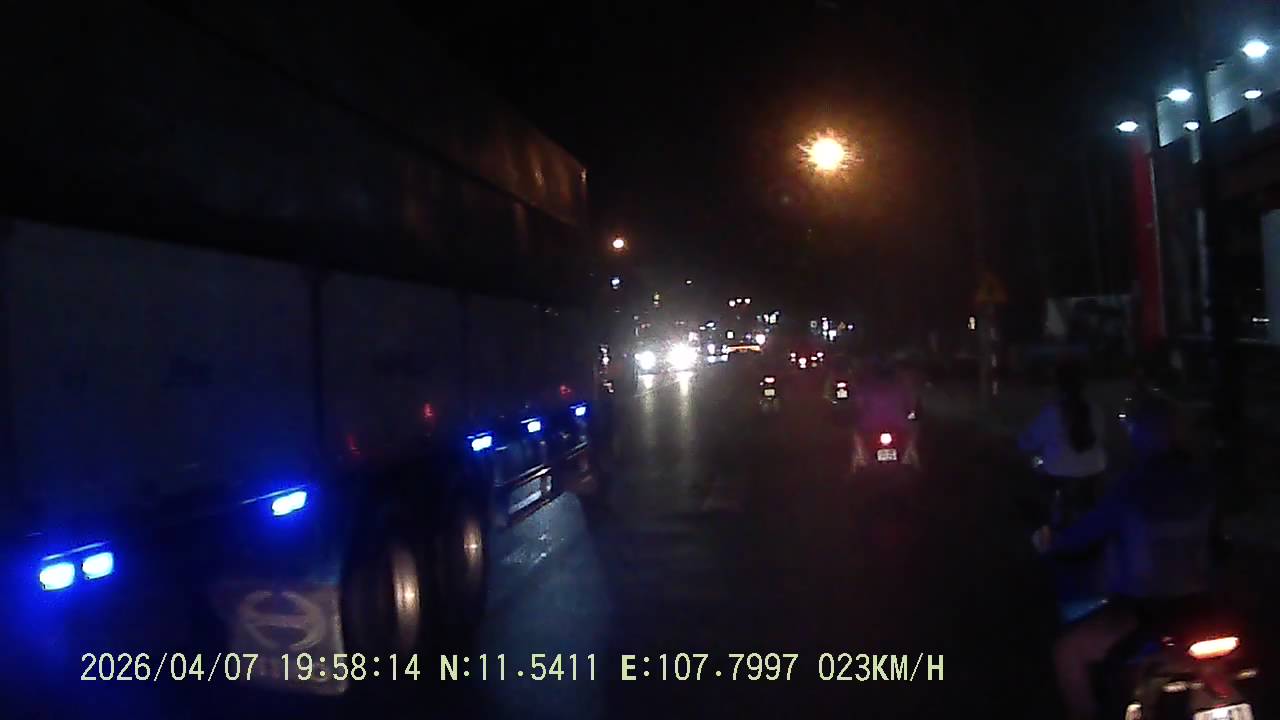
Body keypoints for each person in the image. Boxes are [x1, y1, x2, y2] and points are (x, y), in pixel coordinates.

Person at [1034, 400, 1214, 720]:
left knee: (1067, 652)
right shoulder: (1200, 482)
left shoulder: (1133, 487)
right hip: (1199, 607)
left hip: (1145, 613)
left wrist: (1054, 543)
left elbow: (1084, 534)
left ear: (1141, 436)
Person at [1019, 362, 1107, 526]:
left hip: (1059, 476)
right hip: (1095, 473)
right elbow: (1100, 437)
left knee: (1035, 468)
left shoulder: (1052, 413)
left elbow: (1028, 442)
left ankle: (1046, 523)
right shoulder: (1095, 410)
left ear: (1058, 386)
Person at [851, 357, 918, 470]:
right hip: (899, 426)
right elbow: (910, 406)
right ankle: (910, 460)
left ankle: (859, 463)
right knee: (913, 434)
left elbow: (858, 405)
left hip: (870, 427)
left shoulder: (865, 386)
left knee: (857, 437)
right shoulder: (901, 386)